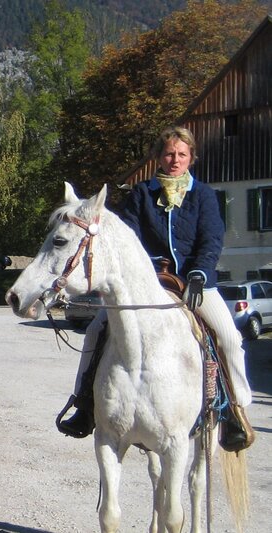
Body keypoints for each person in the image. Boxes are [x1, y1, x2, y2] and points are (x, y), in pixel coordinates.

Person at [57, 126, 254, 451]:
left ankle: (235, 412)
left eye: (181, 154)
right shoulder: (141, 194)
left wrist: (200, 273)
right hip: (146, 282)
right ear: (158, 157)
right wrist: (140, 270)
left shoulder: (204, 196)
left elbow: (211, 239)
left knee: (230, 337)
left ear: (191, 158)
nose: (174, 160)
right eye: (168, 154)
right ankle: (84, 406)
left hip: (195, 283)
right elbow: (128, 239)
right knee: (95, 331)